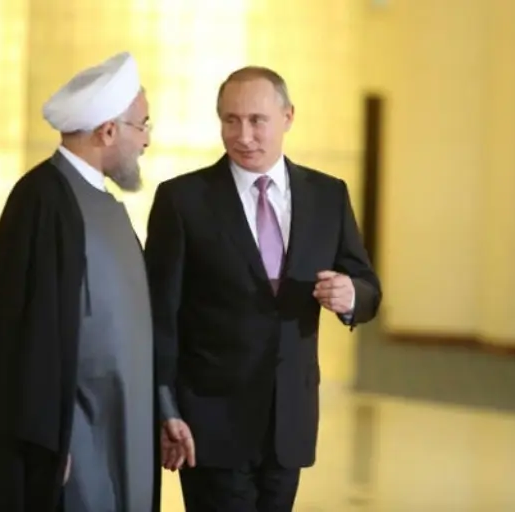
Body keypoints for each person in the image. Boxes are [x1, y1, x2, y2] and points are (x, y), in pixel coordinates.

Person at [144, 66, 382, 511]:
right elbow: (159, 316)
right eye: (230, 120)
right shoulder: (183, 200)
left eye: (257, 120)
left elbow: (368, 287)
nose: (243, 136)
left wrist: (351, 296)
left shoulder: (328, 196)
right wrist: (163, 407)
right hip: (209, 422)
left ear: (288, 117)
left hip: (289, 422)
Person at [0, 51, 156, 512]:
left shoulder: (105, 204)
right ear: (107, 131)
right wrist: (47, 446)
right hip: (75, 440)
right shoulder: (42, 200)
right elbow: (22, 337)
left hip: (121, 428)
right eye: (142, 125)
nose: (145, 140)